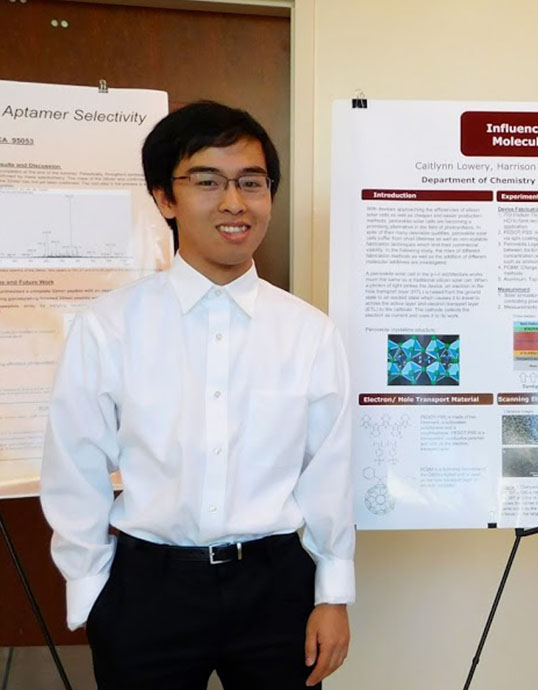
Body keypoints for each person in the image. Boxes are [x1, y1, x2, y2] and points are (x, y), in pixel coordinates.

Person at [39, 101, 355, 689]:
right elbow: (75, 464)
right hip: (146, 588)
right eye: (207, 181)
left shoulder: (308, 332)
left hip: (275, 583)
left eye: (252, 183)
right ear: (165, 198)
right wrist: (89, 591)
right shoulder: (109, 326)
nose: (234, 202)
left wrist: (333, 592)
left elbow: (328, 471)